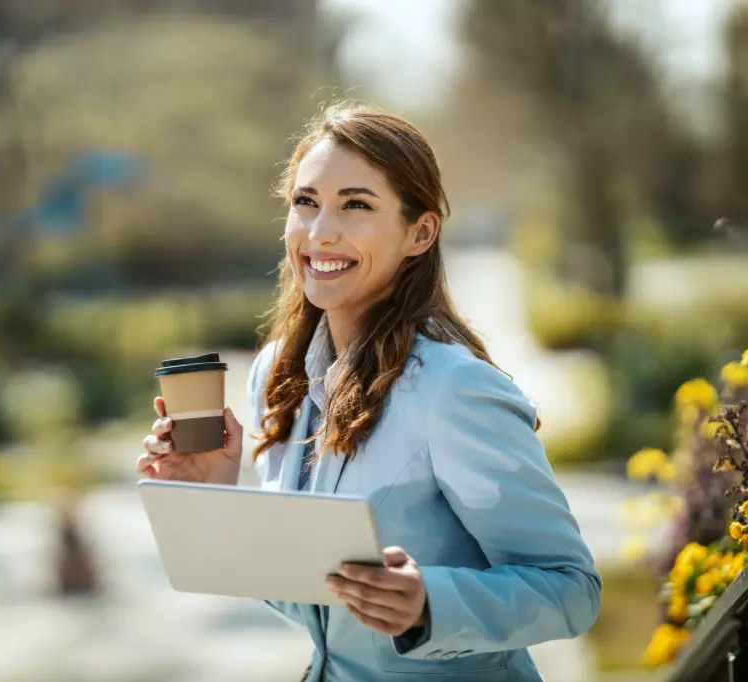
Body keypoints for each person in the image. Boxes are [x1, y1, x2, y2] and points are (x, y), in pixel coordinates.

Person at [135, 102, 601, 681]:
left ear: (419, 232)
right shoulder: (277, 378)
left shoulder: (454, 391)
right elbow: (318, 605)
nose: (320, 231)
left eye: (356, 205)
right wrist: (217, 499)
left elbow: (570, 589)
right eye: (306, 202)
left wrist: (428, 604)